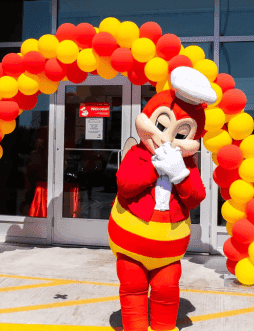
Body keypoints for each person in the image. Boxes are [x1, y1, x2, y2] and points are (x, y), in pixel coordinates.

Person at [108, 67, 218, 331]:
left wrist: (179, 172)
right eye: (162, 124)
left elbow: (196, 197)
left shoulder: (187, 163)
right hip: (130, 246)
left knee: (166, 289)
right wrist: (155, 167)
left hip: (168, 253)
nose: (168, 138)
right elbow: (125, 184)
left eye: (181, 134)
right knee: (132, 286)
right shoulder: (138, 153)